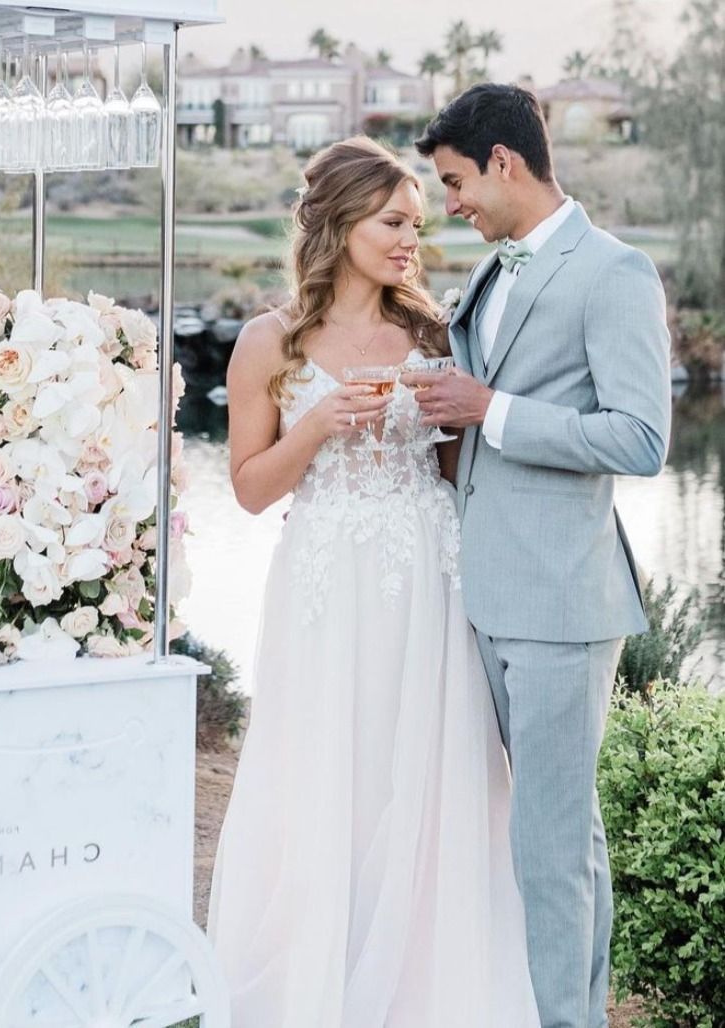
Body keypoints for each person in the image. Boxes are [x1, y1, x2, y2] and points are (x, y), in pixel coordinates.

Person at [207, 136, 540, 1027]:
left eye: (420, 225)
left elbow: (457, 471)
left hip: (429, 581)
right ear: (341, 220)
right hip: (325, 582)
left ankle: (424, 985)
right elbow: (247, 489)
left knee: (423, 771)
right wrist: (314, 427)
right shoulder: (269, 341)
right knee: (327, 768)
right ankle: (317, 977)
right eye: (394, 221)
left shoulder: (434, 332)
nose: (410, 241)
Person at [408, 83, 671, 1028]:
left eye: (455, 183)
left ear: (504, 163)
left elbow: (641, 438)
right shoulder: (491, 272)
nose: (453, 205)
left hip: (563, 602)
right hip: (484, 593)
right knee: (548, 832)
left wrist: (495, 411)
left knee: (553, 842)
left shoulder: (615, 272)